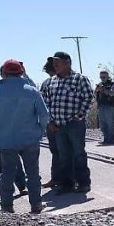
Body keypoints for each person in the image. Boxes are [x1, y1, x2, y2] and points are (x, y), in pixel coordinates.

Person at [0, 60, 48, 214]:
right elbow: (44, 114)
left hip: (6, 140)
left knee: (7, 173)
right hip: (30, 139)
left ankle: (7, 207)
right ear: (21, 72)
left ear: (4, 73)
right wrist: (41, 130)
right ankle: (36, 205)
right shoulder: (32, 91)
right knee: (33, 173)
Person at [41, 51, 92, 194]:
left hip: (74, 123)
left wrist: (80, 115)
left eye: (58, 62)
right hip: (58, 125)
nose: (54, 65)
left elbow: (88, 97)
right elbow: (46, 102)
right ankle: (66, 184)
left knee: (78, 154)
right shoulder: (51, 81)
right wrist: (50, 121)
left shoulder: (79, 79)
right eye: (53, 62)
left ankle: (83, 183)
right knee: (63, 156)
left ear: (67, 62)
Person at [38, 58, 61, 187]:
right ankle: (57, 178)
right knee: (56, 152)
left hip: (58, 122)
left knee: (61, 152)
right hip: (52, 122)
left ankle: (64, 179)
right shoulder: (46, 83)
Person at [95, 68, 114, 145]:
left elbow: (112, 93)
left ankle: (111, 139)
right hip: (101, 106)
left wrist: (103, 90)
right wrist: (97, 90)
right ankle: (105, 138)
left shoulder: (113, 84)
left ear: (107, 77)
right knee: (102, 123)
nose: (102, 79)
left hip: (109, 106)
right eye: (101, 77)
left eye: (104, 77)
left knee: (109, 123)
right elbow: (94, 94)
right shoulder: (99, 85)